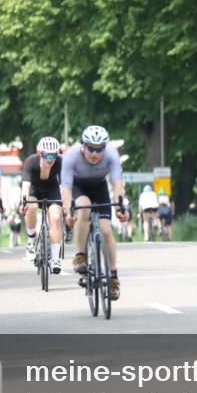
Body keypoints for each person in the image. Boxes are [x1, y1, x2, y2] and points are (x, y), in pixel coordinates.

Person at [61, 125, 129, 300]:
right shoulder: (71, 156)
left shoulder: (112, 154)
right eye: (91, 148)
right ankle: (80, 255)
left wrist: (120, 208)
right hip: (78, 187)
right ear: (83, 146)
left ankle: (113, 276)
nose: (95, 153)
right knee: (84, 207)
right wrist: (68, 212)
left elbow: (117, 184)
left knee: (106, 231)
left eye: (99, 149)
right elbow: (66, 187)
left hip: (100, 187)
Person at [20, 136, 65, 270]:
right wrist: (23, 202)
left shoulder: (60, 162)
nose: (50, 160)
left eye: (53, 156)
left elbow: (63, 186)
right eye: (47, 156)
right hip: (34, 189)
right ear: (40, 154)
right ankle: (31, 241)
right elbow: (25, 186)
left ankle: (55, 259)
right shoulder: (30, 162)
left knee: (56, 218)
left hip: (52, 189)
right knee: (31, 206)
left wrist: (65, 205)